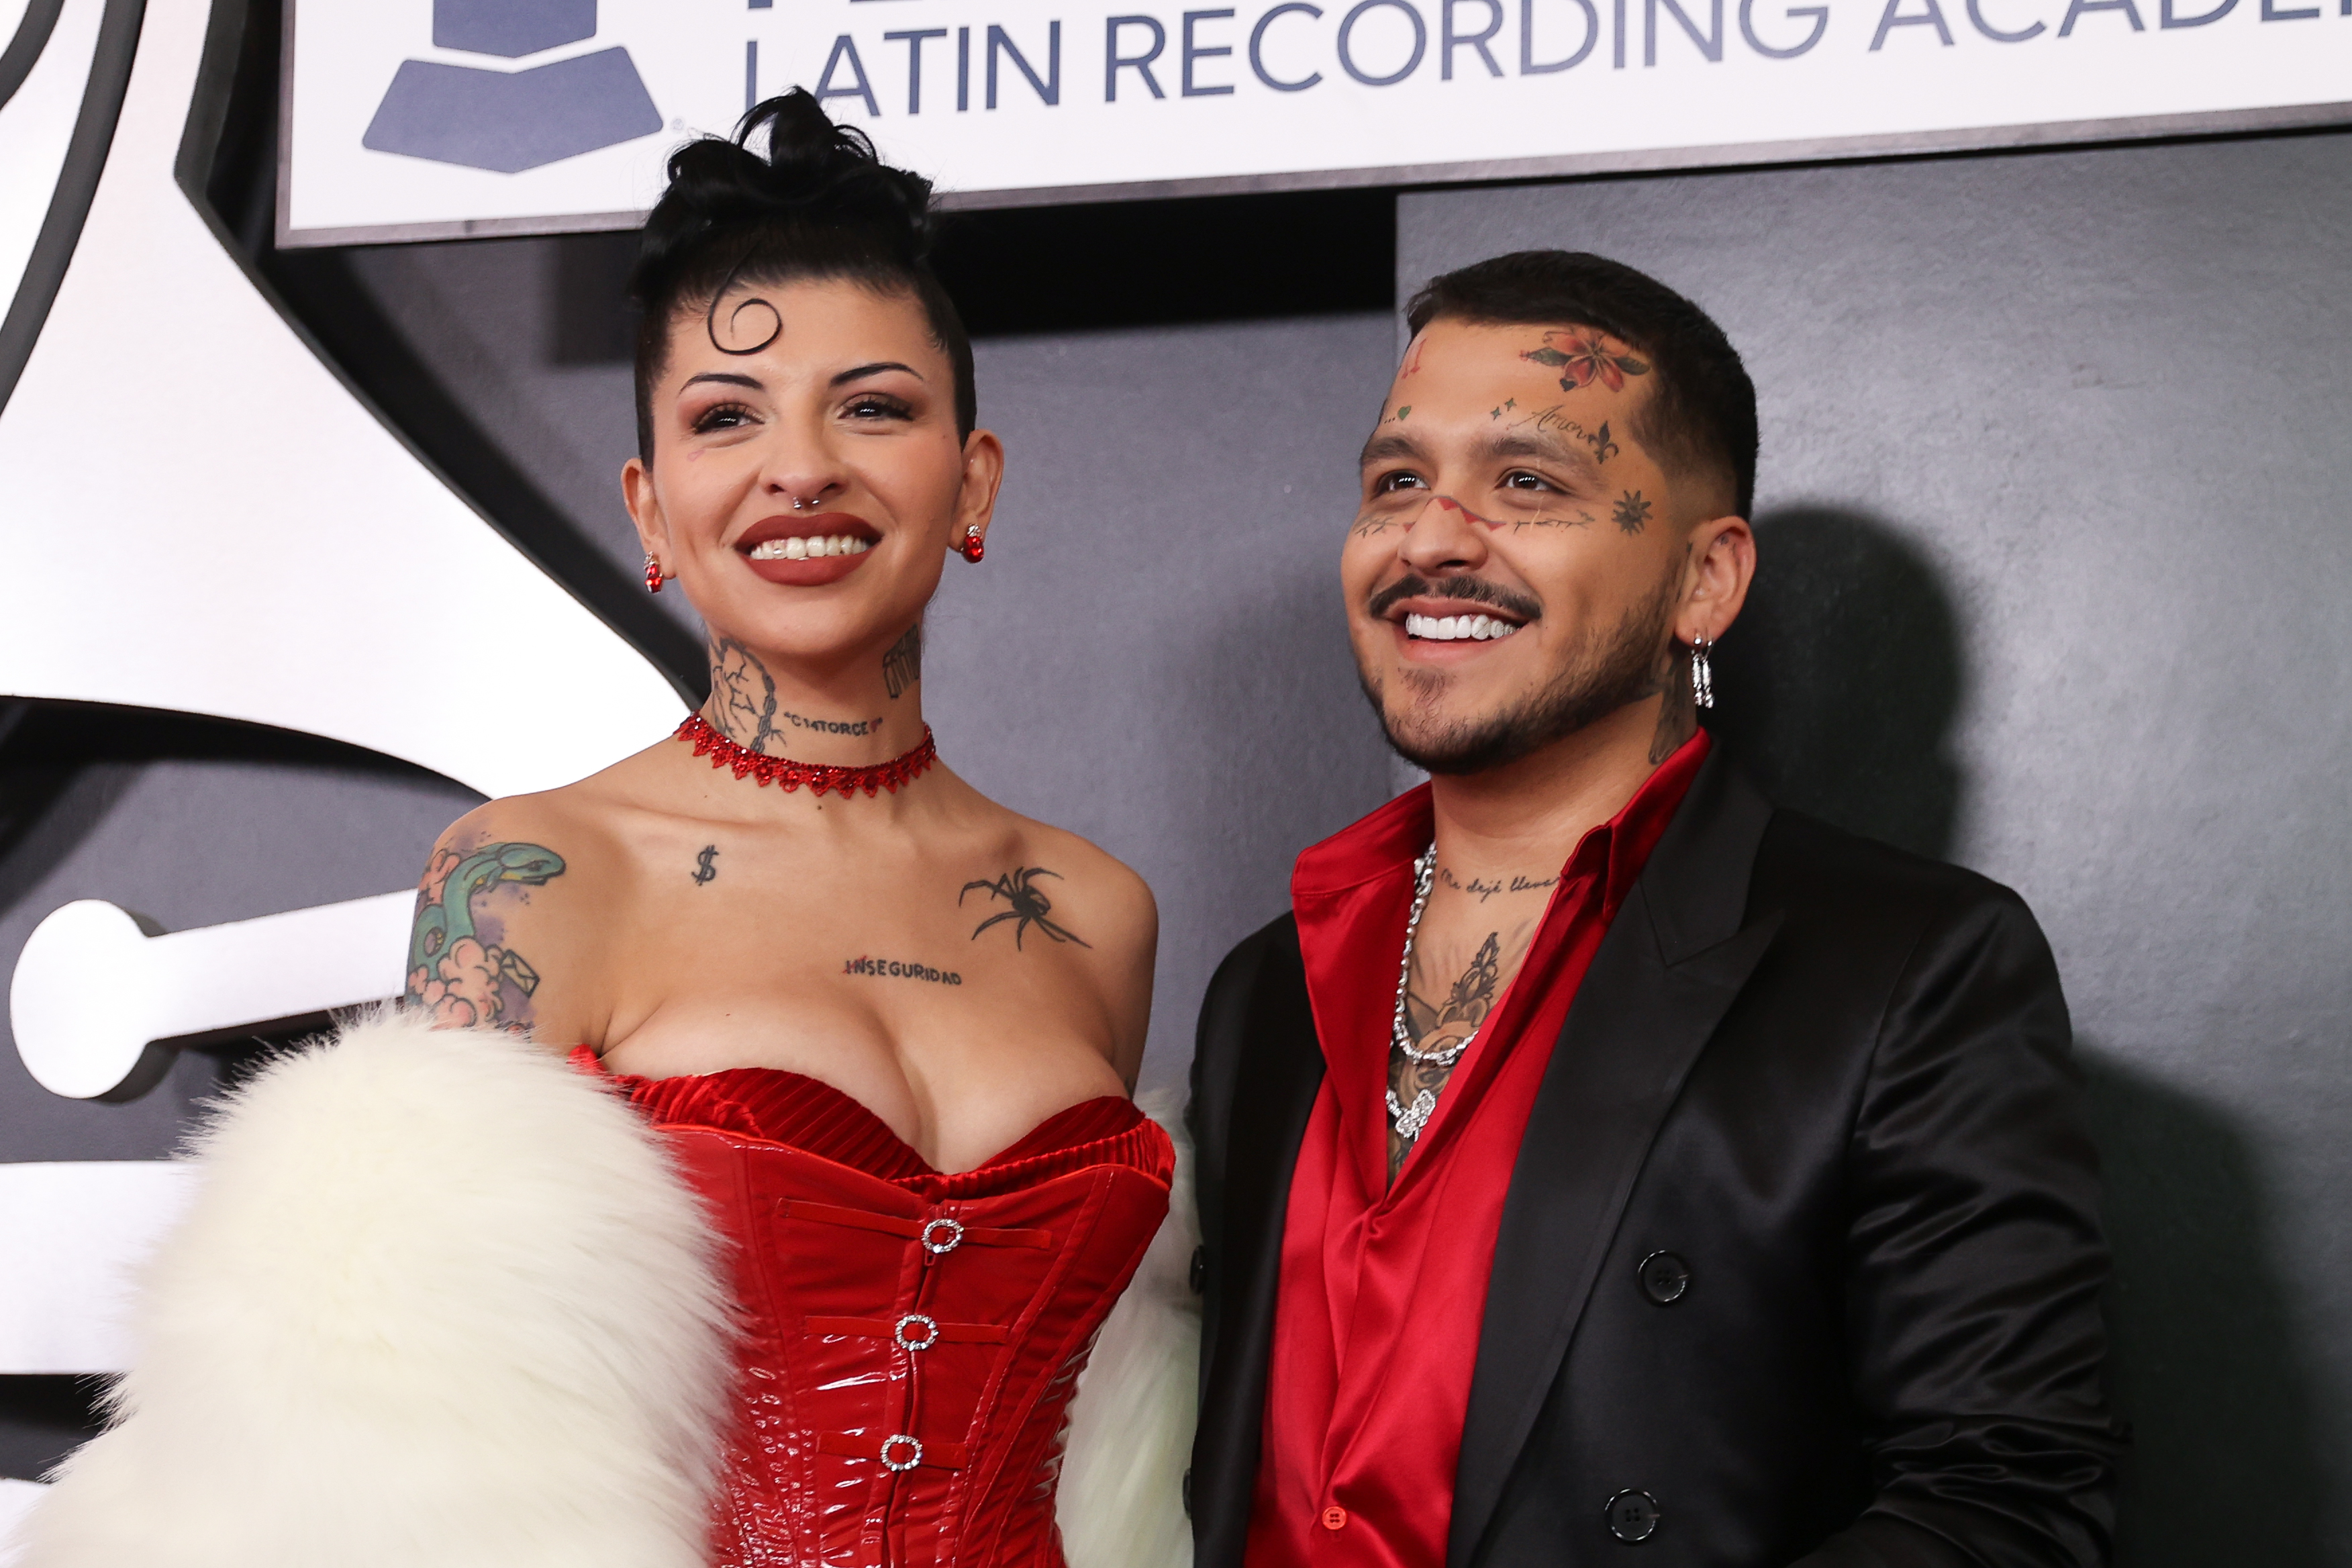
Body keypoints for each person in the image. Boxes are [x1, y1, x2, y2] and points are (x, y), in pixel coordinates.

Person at [19, 93, 1193, 1568]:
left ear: (973, 481)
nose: (802, 467)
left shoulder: (1093, 909)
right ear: (652, 511)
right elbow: (403, 1467)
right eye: (725, 418)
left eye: (875, 406)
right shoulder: (536, 880)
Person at [1187, 252, 2120, 1568]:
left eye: (1528, 482)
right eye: (1399, 479)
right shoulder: (1267, 988)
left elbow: (2007, 1504)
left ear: (1706, 581)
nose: (1433, 537)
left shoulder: (1913, 966)